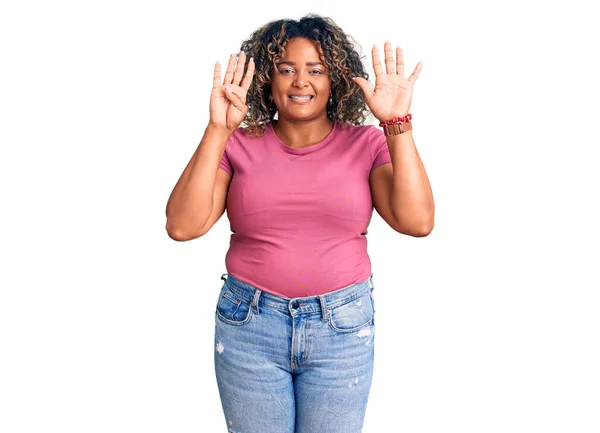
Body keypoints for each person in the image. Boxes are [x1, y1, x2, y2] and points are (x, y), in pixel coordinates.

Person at [165, 13, 434, 433]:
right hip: (249, 328)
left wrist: (397, 126)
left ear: (335, 80)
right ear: (267, 80)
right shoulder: (237, 143)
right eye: (286, 69)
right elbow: (183, 225)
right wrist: (217, 130)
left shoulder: (366, 143)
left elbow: (417, 221)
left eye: (316, 70)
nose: (300, 81)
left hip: (341, 329)